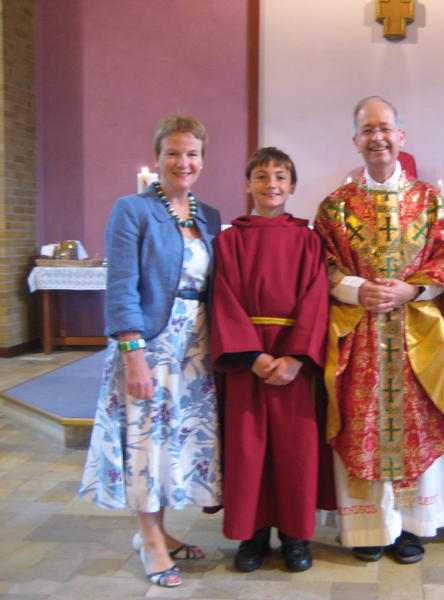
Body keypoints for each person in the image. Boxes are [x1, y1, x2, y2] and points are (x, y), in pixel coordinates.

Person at [314, 96, 444, 564]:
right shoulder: (335, 207)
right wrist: (356, 290)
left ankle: (410, 526)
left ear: (401, 136)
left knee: (417, 423)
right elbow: (319, 264)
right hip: (360, 337)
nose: (377, 137)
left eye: (385, 128)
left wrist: (412, 290)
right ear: (355, 140)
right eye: (368, 130)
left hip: (416, 338)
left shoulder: (429, 201)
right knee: (361, 424)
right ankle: (370, 527)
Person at [80, 116, 222, 587]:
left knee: (172, 443)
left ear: (203, 159)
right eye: (173, 153)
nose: (183, 162)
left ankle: (160, 531)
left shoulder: (208, 216)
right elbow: (121, 284)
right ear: (157, 158)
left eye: (192, 154)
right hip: (151, 344)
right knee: (145, 439)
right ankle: (149, 539)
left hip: (196, 348)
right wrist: (132, 353)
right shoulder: (133, 209)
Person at [210, 147, 330, 573]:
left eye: (280, 177)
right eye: (261, 176)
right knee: (248, 450)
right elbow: (222, 298)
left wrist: (296, 357)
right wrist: (252, 356)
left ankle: (296, 536)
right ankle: (253, 535)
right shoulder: (229, 240)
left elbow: (317, 298)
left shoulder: (308, 239)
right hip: (248, 362)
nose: (271, 184)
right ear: (248, 184)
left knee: (296, 450)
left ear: (292, 186)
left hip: (294, 362)